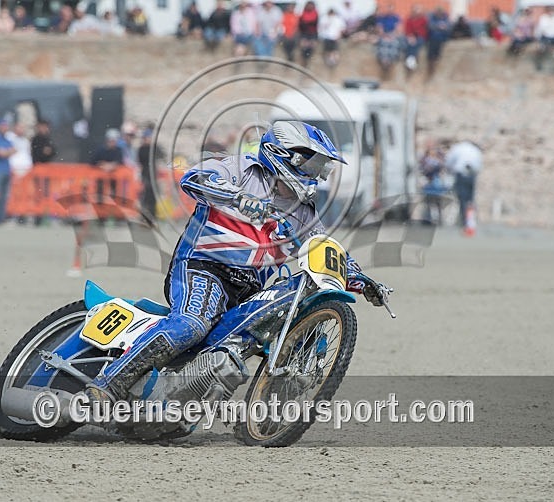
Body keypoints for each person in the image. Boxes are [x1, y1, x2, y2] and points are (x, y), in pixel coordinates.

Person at [83, 120, 388, 406]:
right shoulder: (241, 169)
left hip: (246, 290)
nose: (316, 175)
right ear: (284, 154)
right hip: (203, 267)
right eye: (311, 164)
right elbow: (193, 179)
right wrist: (237, 197)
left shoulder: (303, 211)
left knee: (272, 322)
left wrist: (362, 280)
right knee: (193, 323)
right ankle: (109, 383)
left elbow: (324, 251)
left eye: (321, 168)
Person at [444, 140, 482, 229]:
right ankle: (470, 220)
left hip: (461, 175)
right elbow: (479, 165)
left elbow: (449, 162)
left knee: (462, 199)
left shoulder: (457, 148)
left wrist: (449, 171)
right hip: (471, 175)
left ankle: (465, 221)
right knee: (470, 199)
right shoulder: (475, 150)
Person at [404, 4, 428, 71]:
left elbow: (424, 31)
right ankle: (411, 60)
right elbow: (407, 30)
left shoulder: (423, 19)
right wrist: (410, 36)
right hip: (411, 37)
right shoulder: (409, 19)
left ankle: (410, 58)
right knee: (409, 43)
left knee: (416, 43)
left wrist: (416, 37)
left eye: (418, 9)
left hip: (420, 37)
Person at [298, 1, 319, 67]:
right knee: (304, 45)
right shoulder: (303, 13)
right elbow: (301, 25)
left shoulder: (315, 14)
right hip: (304, 33)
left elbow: (315, 24)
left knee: (312, 45)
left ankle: (308, 59)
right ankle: (304, 59)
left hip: (312, 34)